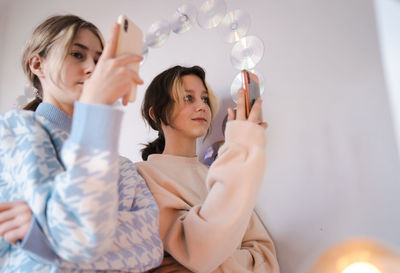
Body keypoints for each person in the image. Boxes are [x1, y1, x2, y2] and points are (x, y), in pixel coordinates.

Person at [0, 14, 162, 272]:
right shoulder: (15, 129)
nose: (92, 68)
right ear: (37, 64)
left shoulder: (123, 166)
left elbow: (151, 249)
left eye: (99, 60)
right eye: (77, 54)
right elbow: (78, 238)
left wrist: (45, 238)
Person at [136, 65, 280, 272]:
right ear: (156, 112)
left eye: (204, 99)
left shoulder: (216, 174)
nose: (201, 106)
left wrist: (215, 259)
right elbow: (197, 253)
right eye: (188, 98)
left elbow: (265, 256)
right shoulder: (142, 175)